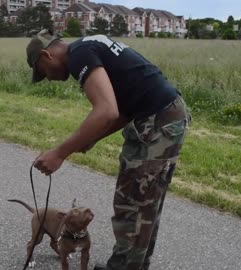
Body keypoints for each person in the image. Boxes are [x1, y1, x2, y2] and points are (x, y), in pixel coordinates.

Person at [26, 29, 191, 270]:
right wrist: (92, 138)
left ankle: (124, 266)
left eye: (42, 72)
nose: (47, 78)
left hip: (157, 122)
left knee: (132, 202)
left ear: (46, 55)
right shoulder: (87, 45)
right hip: (165, 116)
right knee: (145, 203)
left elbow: (106, 110)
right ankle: (130, 265)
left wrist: (59, 153)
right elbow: (122, 108)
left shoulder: (79, 55)